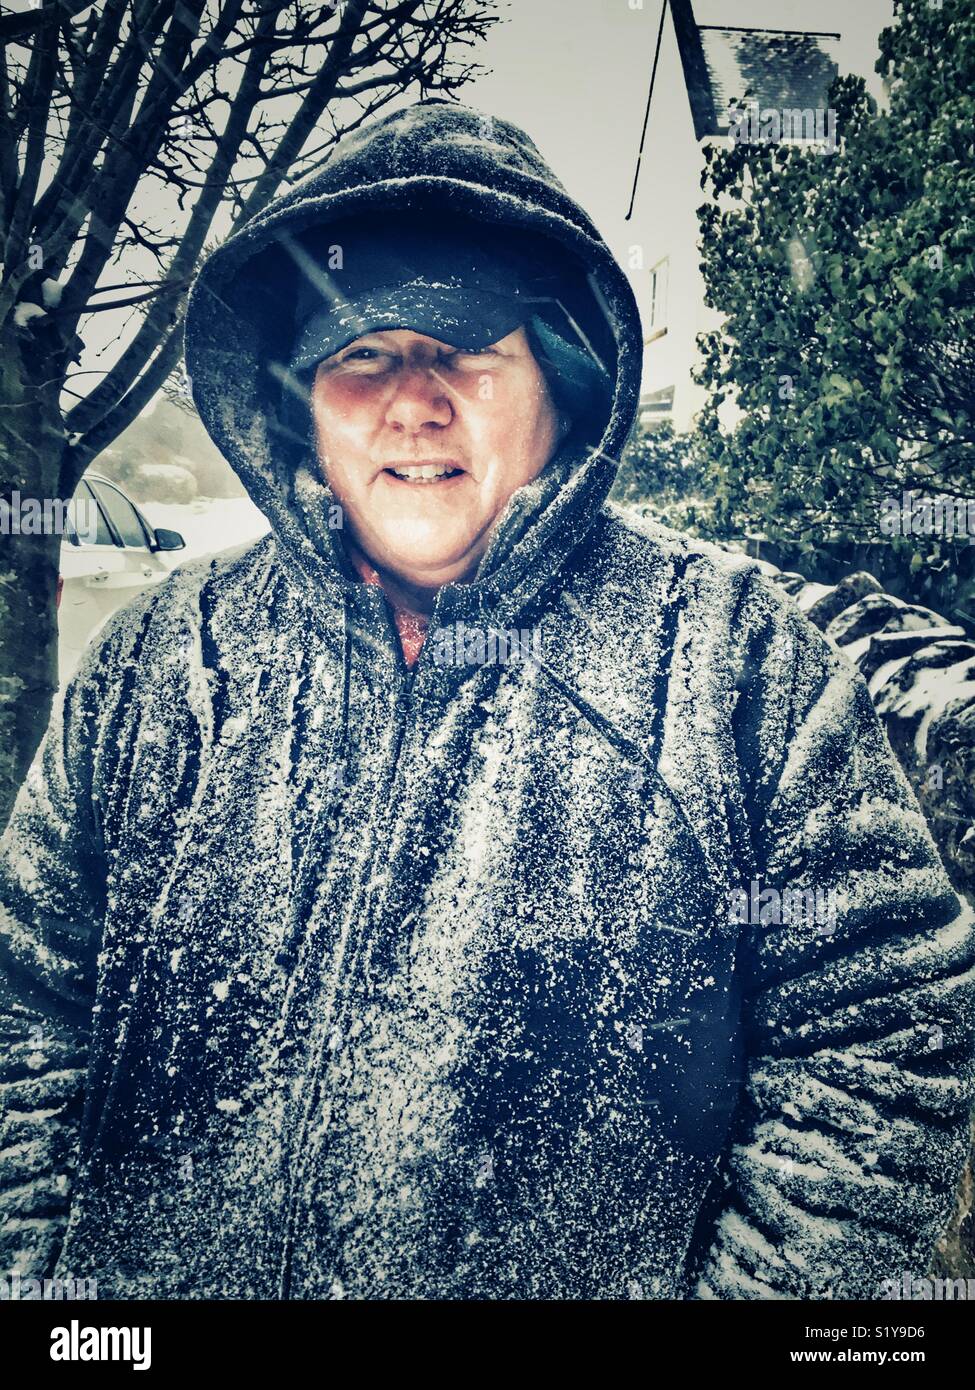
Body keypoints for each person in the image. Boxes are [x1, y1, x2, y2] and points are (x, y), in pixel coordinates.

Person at [1, 98, 973, 1301]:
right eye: (362, 353)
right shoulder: (162, 662)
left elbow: (880, 1040)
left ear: (561, 384)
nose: (412, 401)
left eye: (464, 350)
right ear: (298, 398)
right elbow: (26, 999)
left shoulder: (736, 670)